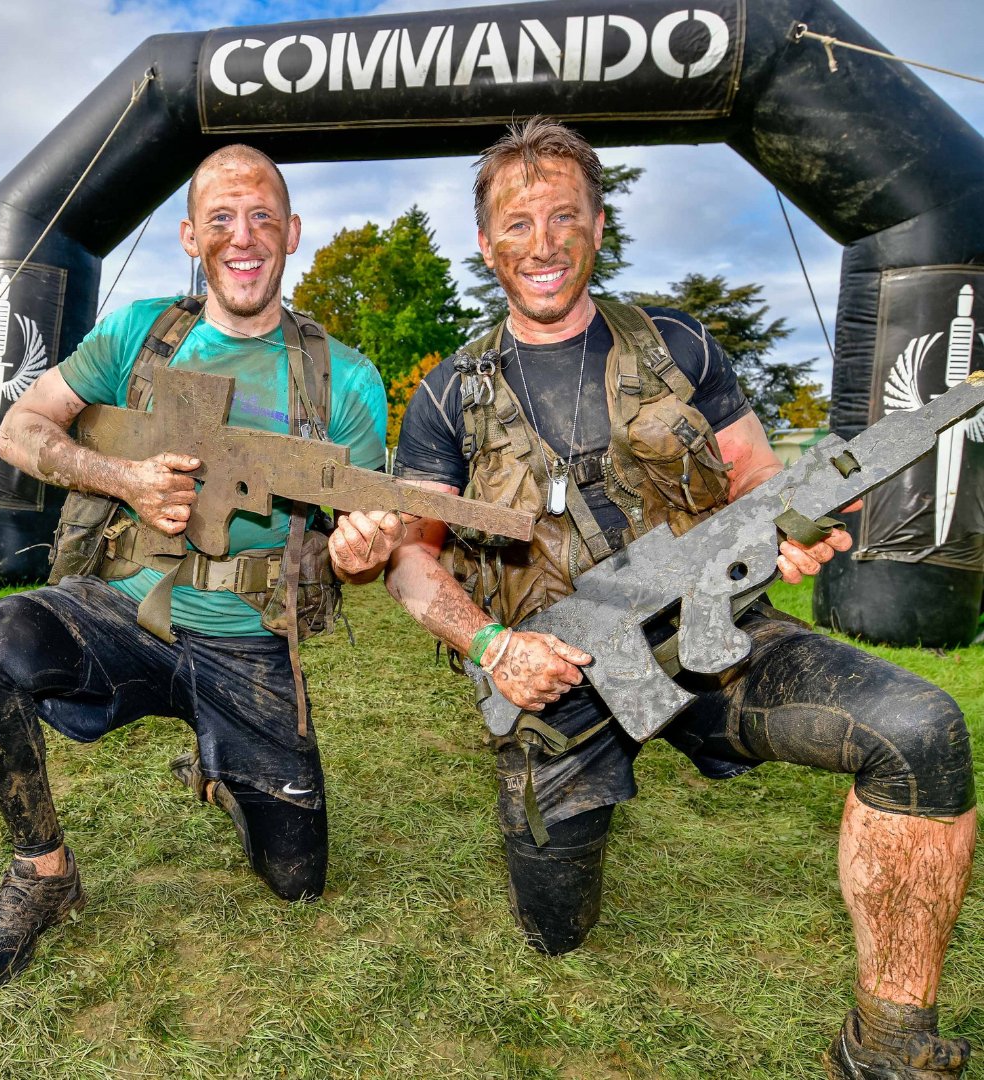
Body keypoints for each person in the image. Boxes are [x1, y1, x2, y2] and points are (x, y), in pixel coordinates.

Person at [385, 118, 975, 1080]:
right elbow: (413, 559)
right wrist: (493, 646)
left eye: (565, 215)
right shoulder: (449, 394)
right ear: (487, 244)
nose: (544, 242)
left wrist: (788, 530)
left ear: (600, 225)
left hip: (715, 640)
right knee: (556, 937)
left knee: (921, 729)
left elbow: (753, 481)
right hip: (559, 685)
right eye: (518, 222)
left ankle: (889, 1047)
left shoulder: (676, 346)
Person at [0, 144, 405, 995]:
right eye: (221, 217)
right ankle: (43, 874)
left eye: (263, 215)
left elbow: (362, 538)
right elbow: (18, 430)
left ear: (293, 232)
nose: (243, 235)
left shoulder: (346, 381)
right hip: (121, 612)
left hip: (248, 645)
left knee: (296, 881)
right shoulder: (139, 334)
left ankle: (225, 772)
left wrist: (361, 554)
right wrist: (124, 480)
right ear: (191, 235)